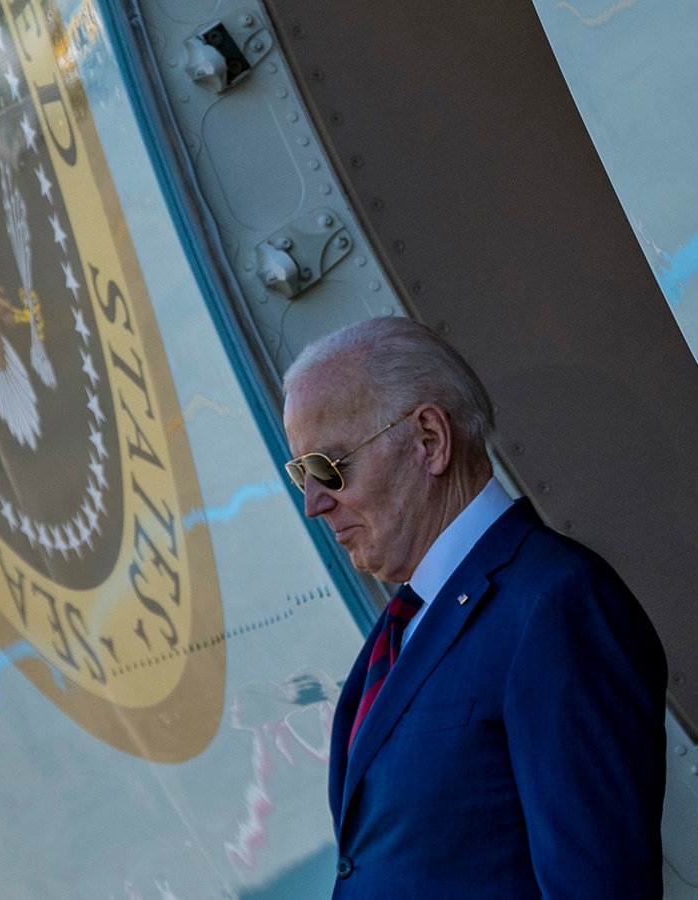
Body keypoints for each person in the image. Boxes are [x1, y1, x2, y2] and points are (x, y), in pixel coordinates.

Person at [281, 316, 667, 898]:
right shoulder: (407, 621)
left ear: (429, 441)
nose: (313, 503)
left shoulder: (554, 605)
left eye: (328, 467)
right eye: (300, 473)